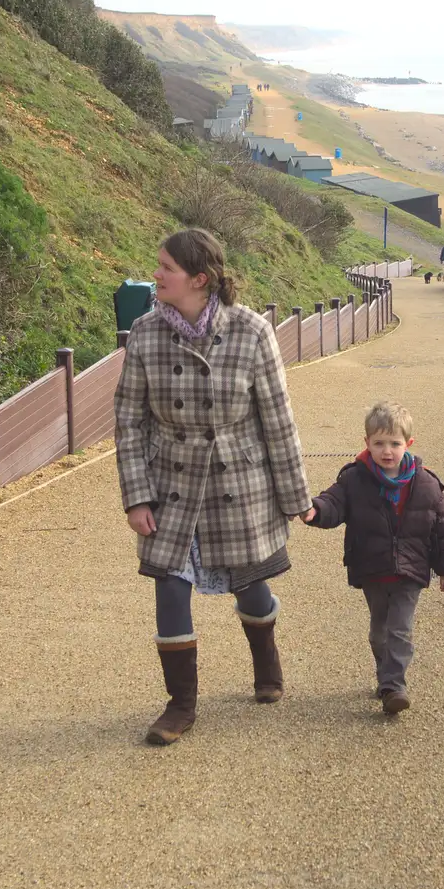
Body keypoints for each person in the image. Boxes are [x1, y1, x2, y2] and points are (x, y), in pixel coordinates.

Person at [115, 228, 312, 746]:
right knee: (170, 586)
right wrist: (136, 496)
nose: (155, 274)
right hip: (170, 483)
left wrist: (295, 497)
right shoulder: (144, 333)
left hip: (238, 481)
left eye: (166, 268)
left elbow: (278, 419)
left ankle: (266, 662)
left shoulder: (251, 332)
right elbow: (129, 421)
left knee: (251, 584)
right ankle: (181, 705)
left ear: (199, 279)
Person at [300, 401, 444, 714]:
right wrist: (314, 510)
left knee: (399, 629)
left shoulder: (426, 484)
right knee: (378, 632)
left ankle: (394, 685)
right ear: (367, 443)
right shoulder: (355, 480)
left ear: (408, 444)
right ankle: (385, 673)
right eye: (379, 443)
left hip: (410, 571)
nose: (387, 451)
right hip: (372, 569)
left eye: (395, 444)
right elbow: (334, 502)